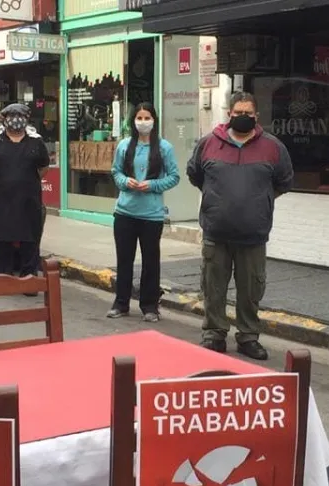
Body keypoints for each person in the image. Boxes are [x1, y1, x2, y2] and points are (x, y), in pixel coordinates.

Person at [186, 91, 294, 360]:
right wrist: (216, 200)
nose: (243, 117)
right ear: (229, 114)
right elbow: (195, 174)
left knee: (250, 291)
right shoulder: (208, 144)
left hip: (253, 236)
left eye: (248, 113)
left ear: (256, 116)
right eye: (238, 113)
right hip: (216, 233)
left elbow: (283, 182)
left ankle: (248, 337)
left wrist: (260, 201)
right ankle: (214, 334)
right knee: (213, 288)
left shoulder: (273, 147)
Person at [106, 103, 180, 322]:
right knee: (124, 259)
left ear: (154, 120)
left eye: (147, 117)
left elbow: (174, 177)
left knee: (150, 261)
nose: (143, 122)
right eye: (139, 117)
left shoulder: (164, 148)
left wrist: (153, 185)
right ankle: (121, 303)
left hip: (151, 215)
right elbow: (115, 171)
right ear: (133, 121)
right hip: (125, 212)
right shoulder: (124, 145)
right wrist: (124, 181)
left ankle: (150, 306)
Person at [0, 104, 50, 283]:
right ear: (4, 118)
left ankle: (29, 278)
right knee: (1, 240)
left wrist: (24, 181)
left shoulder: (36, 142)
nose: (16, 119)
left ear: (27, 119)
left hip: (29, 201)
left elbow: (43, 167)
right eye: (12, 115)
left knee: (30, 240)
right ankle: (3, 278)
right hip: (2, 200)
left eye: (20, 115)